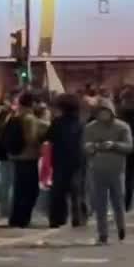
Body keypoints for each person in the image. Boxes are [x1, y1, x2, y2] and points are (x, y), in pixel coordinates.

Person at [83, 101, 133, 245]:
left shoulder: (122, 127)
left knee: (118, 201)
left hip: (117, 170)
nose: (103, 115)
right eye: (100, 112)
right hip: (97, 169)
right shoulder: (90, 128)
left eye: (106, 112)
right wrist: (93, 147)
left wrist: (114, 145)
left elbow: (129, 146)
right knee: (100, 204)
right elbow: (85, 146)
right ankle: (102, 233)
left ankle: (121, 227)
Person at [44, 94, 87, 228]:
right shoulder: (81, 124)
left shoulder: (57, 123)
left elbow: (47, 138)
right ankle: (78, 218)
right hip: (78, 160)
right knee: (77, 191)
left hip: (60, 161)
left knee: (58, 192)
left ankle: (57, 219)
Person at [7, 93, 47, 228]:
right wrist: (40, 146)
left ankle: (15, 218)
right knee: (30, 190)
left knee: (19, 189)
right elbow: (31, 138)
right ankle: (23, 219)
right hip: (28, 157)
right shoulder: (29, 118)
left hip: (17, 156)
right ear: (32, 103)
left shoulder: (15, 116)